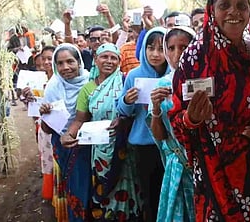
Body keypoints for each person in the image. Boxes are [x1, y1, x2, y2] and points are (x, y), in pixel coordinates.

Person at [168, 0, 250, 221]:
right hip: (214, 171)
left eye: (241, 5)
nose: (234, 12)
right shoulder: (194, 58)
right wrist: (192, 118)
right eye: (225, 5)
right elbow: (177, 120)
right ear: (212, 10)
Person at [61, 43, 143, 221]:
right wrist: (68, 134)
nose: (109, 61)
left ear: (119, 61)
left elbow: (136, 111)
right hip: (100, 152)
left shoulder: (125, 81)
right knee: (104, 191)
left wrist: (123, 119)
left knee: (128, 187)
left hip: (125, 148)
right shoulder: (87, 89)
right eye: (104, 57)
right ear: (95, 60)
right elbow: (80, 119)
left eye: (114, 58)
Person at [117, 27, 168, 222]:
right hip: (145, 145)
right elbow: (122, 111)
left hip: (170, 145)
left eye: (161, 48)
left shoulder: (173, 75)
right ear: (143, 49)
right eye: (150, 47)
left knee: (170, 191)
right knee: (150, 193)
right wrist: (127, 101)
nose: (155, 54)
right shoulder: (133, 75)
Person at [147, 26, 196, 222]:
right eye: (172, 48)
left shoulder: (207, 81)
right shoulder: (162, 85)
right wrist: (156, 108)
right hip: (176, 164)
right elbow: (160, 136)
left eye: (184, 47)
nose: (177, 55)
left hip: (203, 164)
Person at [40, 44, 91, 222]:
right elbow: (47, 129)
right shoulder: (53, 87)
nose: (65, 67)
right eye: (60, 63)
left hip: (87, 144)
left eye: (70, 61)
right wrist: (45, 114)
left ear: (79, 62)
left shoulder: (91, 82)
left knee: (89, 187)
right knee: (72, 188)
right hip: (63, 146)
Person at [22, 46, 55, 200]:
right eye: (45, 59)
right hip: (44, 129)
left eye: (51, 58)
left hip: (60, 129)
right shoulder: (37, 80)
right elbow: (33, 110)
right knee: (47, 161)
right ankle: (52, 195)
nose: (47, 62)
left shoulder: (63, 81)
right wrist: (28, 99)